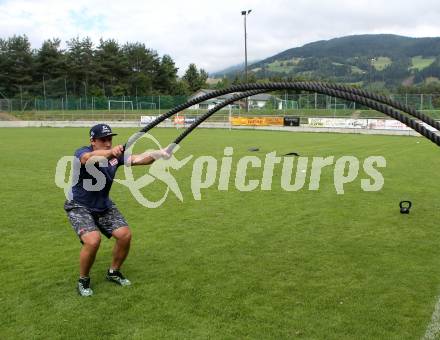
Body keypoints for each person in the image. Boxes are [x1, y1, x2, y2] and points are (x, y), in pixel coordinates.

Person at [64, 123, 171, 296]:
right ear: (92, 140)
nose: (108, 143)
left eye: (110, 139)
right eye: (103, 140)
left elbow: (140, 158)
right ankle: (83, 280)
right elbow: (89, 158)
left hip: (103, 206)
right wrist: (109, 152)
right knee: (93, 240)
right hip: (79, 205)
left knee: (125, 235)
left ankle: (113, 272)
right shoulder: (82, 152)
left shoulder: (116, 156)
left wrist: (159, 154)